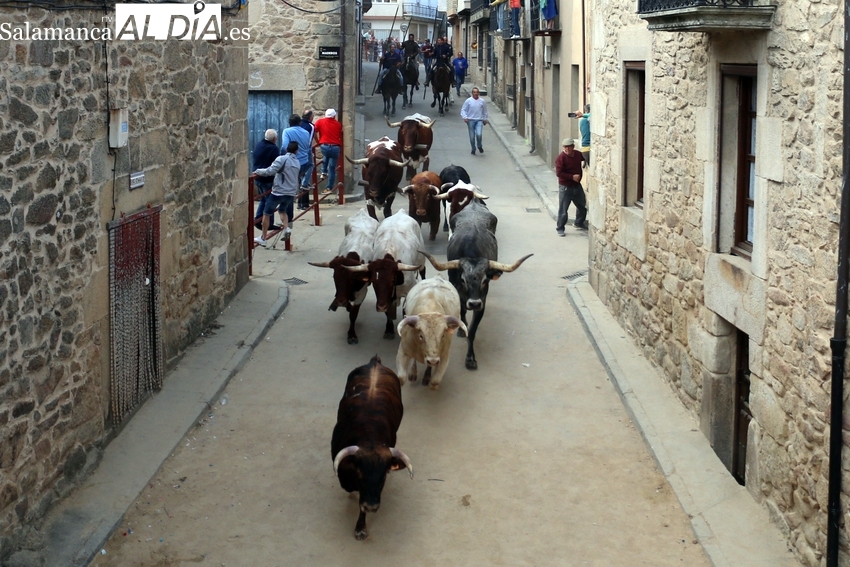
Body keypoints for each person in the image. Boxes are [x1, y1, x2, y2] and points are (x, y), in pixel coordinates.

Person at [252, 141, 300, 246]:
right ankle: (286, 228)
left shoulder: (281, 159)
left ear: (287, 149)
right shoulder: (297, 163)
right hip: (290, 192)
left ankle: (263, 238)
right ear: (296, 151)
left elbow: (270, 171)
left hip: (278, 192)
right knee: (282, 210)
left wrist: (257, 171)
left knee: (266, 213)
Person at [555, 138, 587, 235]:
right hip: (565, 187)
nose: (567, 149)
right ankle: (560, 228)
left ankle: (579, 223)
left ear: (573, 147)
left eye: (568, 147)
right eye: (565, 147)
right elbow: (559, 173)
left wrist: (586, 160)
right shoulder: (561, 158)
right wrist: (572, 177)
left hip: (576, 186)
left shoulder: (577, 154)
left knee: (582, 206)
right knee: (563, 210)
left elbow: (584, 157)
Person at [282, 114, 312, 219]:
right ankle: (303, 204)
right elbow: (308, 147)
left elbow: (285, 147)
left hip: (292, 163)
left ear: (289, 123)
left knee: (290, 188)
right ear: (300, 122)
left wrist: (282, 159)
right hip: (304, 163)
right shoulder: (306, 132)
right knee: (302, 182)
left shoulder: (287, 131)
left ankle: (289, 217)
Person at [252, 129, 281, 231]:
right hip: (267, 178)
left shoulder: (259, 144)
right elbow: (277, 164)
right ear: (274, 139)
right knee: (270, 201)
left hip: (258, 176)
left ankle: (258, 219)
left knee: (264, 199)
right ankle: (268, 223)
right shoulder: (273, 149)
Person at [313, 108, 343, 194]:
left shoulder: (320, 122)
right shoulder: (338, 124)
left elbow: (314, 131)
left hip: (324, 146)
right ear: (334, 116)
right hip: (335, 147)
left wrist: (318, 141)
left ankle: (323, 171)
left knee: (326, 155)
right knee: (332, 168)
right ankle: (329, 187)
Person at [460, 87, 489, 155]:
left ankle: (479, 146)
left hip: (479, 120)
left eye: (477, 92)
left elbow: (485, 111)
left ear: (478, 93)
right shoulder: (468, 101)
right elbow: (463, 110)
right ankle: (473, 148)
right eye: (474, 92)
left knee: (479, 134)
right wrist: (465, 117)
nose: (475, 93)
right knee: (472, 136)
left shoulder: (482, 101)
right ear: (472, 93)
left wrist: (485, 119)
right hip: (470, 120)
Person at [298, 109, 316, 209]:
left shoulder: (298, 124)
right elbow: (309, 141)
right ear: (310, 117)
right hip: (306, 150)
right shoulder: (311, 126)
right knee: (310, 165)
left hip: (297, 151)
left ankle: (301, 204)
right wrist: (307, 150)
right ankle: (305, 184)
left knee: (301, 174)